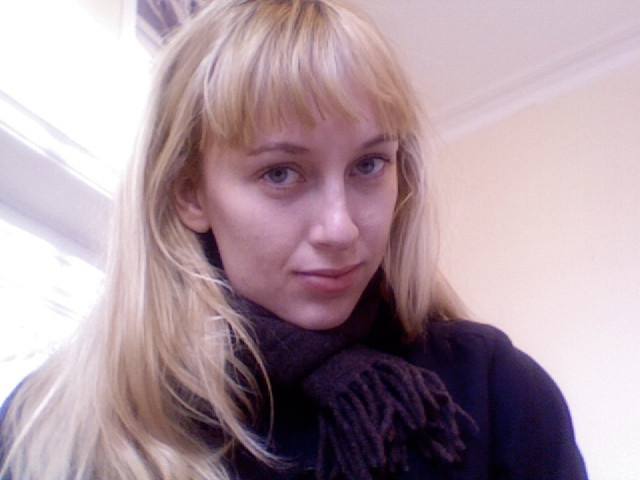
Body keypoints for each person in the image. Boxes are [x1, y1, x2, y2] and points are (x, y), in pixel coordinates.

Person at [0, 1, 588, 479]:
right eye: (280, 173)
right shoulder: (53, 425)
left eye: (369, 165)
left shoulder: (495, 391)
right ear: (190, 194)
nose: (341, 229)